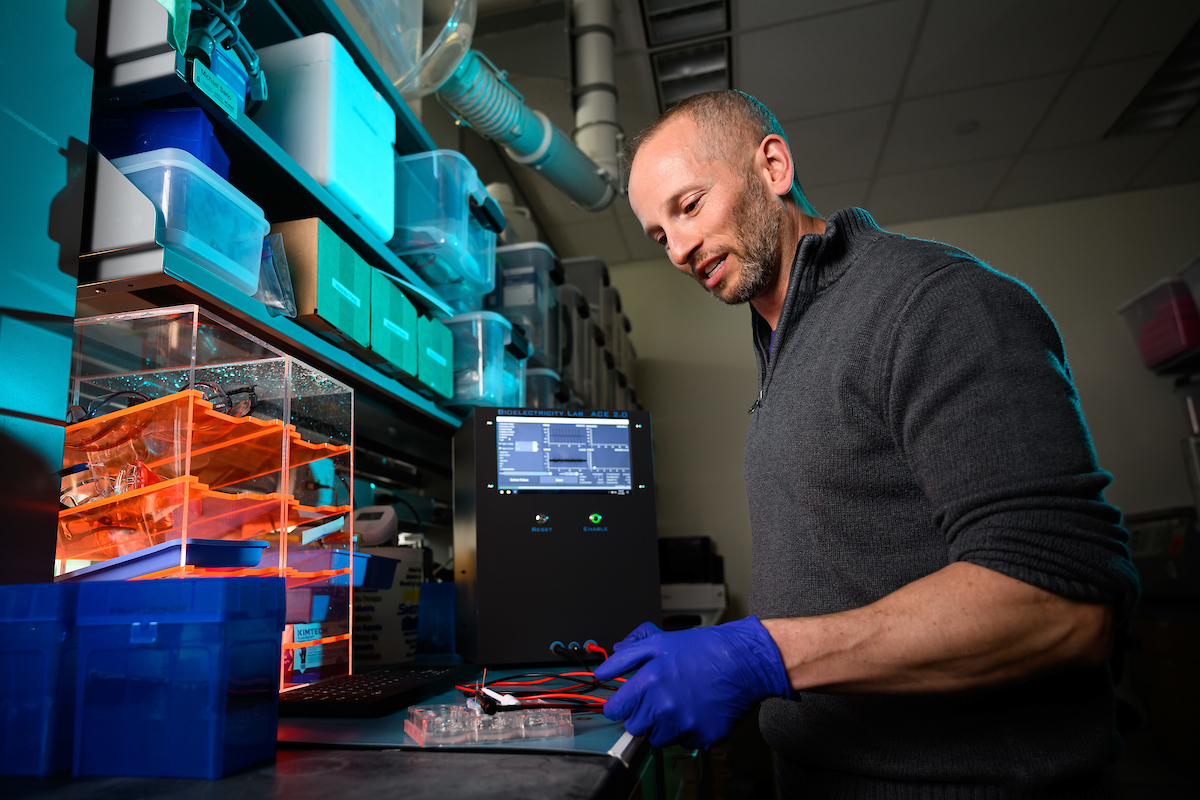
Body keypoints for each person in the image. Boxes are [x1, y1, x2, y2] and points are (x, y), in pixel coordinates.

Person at [592, 90, 1140, 798]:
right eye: (659, 235)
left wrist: (763, 654)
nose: (680, 248)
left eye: (689, 206)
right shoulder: (785, 349)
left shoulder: (935, 303)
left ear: (773, 166)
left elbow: (1063, 606)